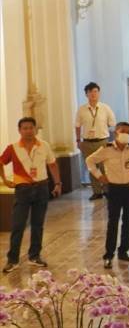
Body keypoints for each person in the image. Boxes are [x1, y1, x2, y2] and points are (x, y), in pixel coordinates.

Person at [1, 117, 62, 274]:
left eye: (31, 127)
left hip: (41, 187)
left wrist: (58, 183)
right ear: (19, 130)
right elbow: (1, 162)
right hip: (23, 190)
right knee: (18, 225)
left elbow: (52, 164)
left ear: (35, 129)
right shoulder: (13, 148)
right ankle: (12, 260)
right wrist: (6, 180)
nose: (28, 130)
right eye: (25, 128)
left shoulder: (44, 145)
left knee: (37, 224)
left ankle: (34, 256)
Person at [85, 121, 129, 268]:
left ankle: (123, 251)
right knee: (113, 223)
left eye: (128, 132)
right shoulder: (107, 149)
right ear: (116, 132)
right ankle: (108, 255)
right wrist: (99, 176)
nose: (126, 134)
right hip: (114, 190)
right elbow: (90, 161)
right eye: (123, 131)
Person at [74, 82, 115, 200]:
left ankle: (107, 190)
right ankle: (97, 191)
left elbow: (112, 124)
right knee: (91, 167)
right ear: (86, 94)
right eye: (90, 92)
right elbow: (77, 125)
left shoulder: (105, 108)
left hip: (102, 141)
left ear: (99, 93)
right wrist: (78, 140)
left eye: (96, 91)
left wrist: (111, 140)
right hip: (87, 142)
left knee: (104, 166)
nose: (93, 94)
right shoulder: (82, 109)